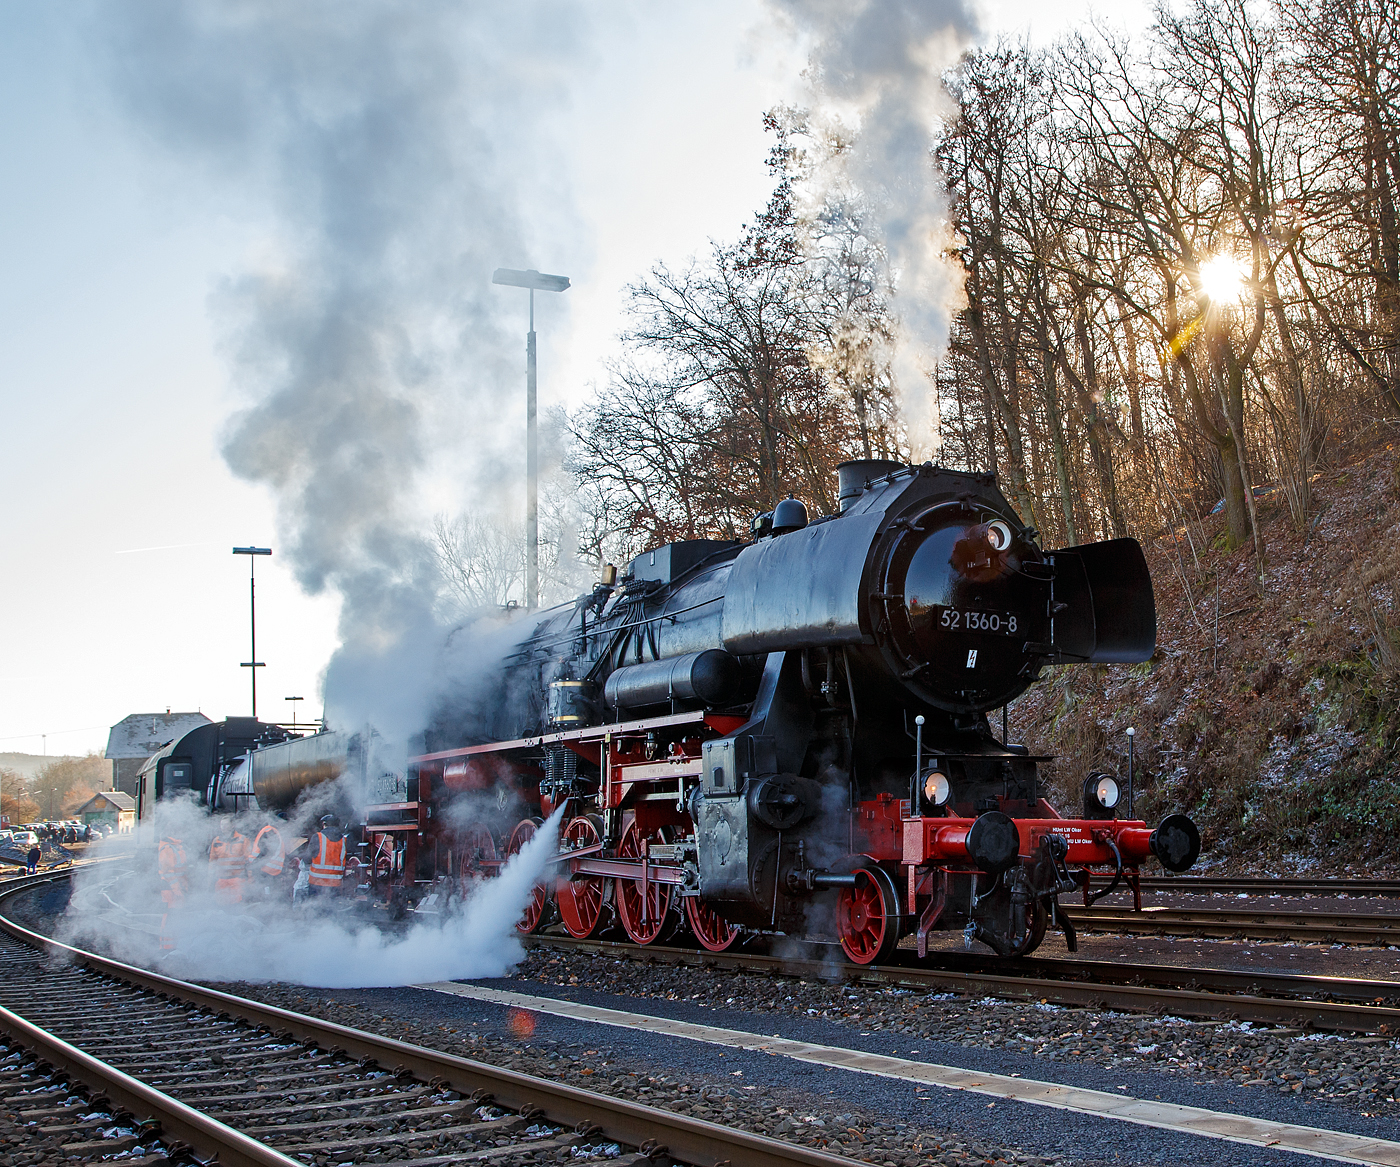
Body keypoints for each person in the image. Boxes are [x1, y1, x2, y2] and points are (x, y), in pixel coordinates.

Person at [157, 835, 188, 950]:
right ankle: (166, 947)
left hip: (176, 888)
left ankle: (173, 945)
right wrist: (177, 889)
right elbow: (168, 872)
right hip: (171, 890)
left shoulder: (176, 846)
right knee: (170, 917)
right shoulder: (168, 848)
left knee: (176, 917)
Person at [307, 814, 347, 896]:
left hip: (317, 882)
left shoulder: (318, 837)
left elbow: (307, 857)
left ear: (324, 824)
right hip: (335, 883)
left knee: (314, 907)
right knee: (330, 907)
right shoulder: (343, 840)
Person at [208, 828, 251, 905]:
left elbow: (248, 859)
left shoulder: (242, 839)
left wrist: (250, 877)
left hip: (237, 878)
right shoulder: (216, 841)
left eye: (226, 825)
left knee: (237, 903)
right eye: (222, 825)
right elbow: (212, 860)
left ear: (232, 825)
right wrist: (210, 877)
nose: (223, 827)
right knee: (222, 904)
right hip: (221, 878)